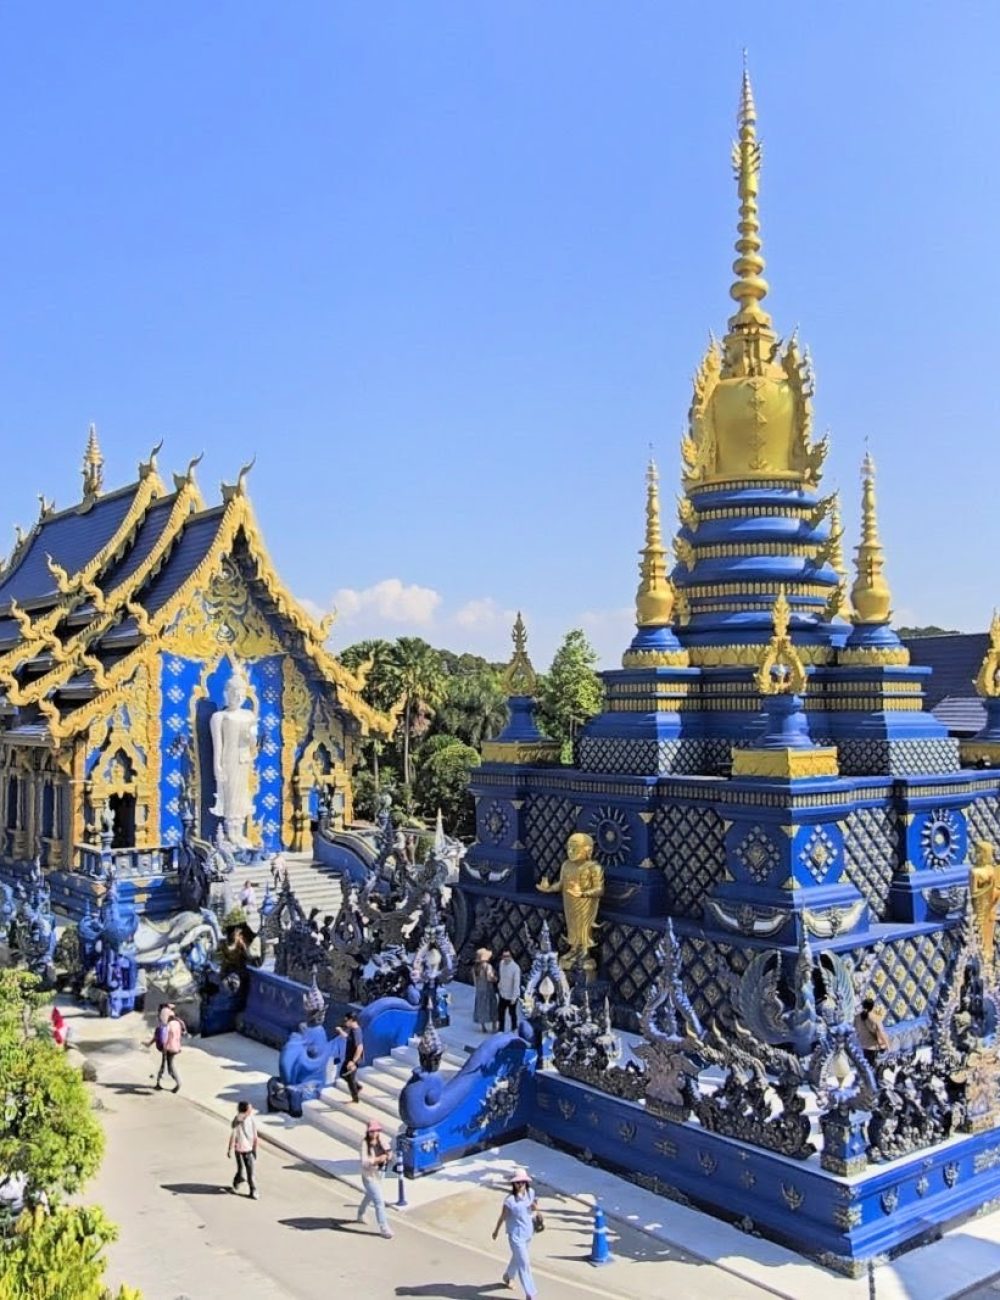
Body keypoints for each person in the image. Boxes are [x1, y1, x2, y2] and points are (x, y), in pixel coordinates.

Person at [537, 831, 605, 970]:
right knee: (571, 926)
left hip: (585, 904)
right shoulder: (566, 865)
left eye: (575, 848)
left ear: (587, 850)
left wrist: (583, 893)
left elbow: (600, 889)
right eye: (569, 848)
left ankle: (584, 952)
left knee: (583, 928)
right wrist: (548, 888)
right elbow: (561, 884)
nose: (571, 851)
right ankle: (573, 949)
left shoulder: (594, 868)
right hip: (569, 902)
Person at [491, 1168, 538, 1300]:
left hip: (528, 1232)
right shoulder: (510, 1201)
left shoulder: (531, 1193)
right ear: (514, 1184)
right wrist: (496, 1231)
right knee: (524, 1263)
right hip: (516, 1236)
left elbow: (534, 1206)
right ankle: (531, 1294)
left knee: (518, 1258)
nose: (520, 1184)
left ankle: (508, 1276)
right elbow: (503, 1217)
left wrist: (536, 1211)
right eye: (518, 1182)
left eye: (523, 1182)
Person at [358, 1119, 393, 1238]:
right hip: (369, 1177)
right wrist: (377, 1160)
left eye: (377, 1131)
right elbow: (364, 1162)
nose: (374, 1133)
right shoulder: (364, 1144)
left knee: (369, 1196)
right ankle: (384, 1228)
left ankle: (360, 1213)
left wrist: (388, 1155)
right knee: (379, 1201)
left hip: (380, 1173)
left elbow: (389, 1153)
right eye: (372, 1131)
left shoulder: (382, 1140)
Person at [227, 1100, 259, 1200]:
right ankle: (241, 1184)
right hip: (240, 1150)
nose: (251, 1109)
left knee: (249, 1172)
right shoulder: (237, 1121)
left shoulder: (250, 1120)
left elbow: (255, 1136)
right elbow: (233, 1135)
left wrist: (254, 1149)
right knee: (243, 1171)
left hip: (248, 1149)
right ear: (245, 1110)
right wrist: (230, 1148)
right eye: (250, 1108)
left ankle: (251, 1188)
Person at [156, 1006, 186, 1092]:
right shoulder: (178, 1023)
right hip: (176, 1047)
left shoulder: (168, 1026)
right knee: (164, 1065)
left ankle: (178, 1083)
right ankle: (158, 1083)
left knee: (169, 1067)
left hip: (168, 1048)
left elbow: (164, 1038)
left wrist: (164, 1047)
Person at [854, 996, 889, 1069]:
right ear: (873, 1007)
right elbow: (882, 1033)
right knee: (873, 1068)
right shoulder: (875, 1018)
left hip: (863, 1045)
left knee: (867, 1067)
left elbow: (855, 1030)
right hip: (873, 1047)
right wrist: (888, 1046)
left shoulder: (857, 1017)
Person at [473, 948, 499, 1032]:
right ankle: (494, 1027)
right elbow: (489, 978)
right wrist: (496, 979)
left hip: (479, 990)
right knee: (493, 1007)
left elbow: (475, 981)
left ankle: (483, 1027)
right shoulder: (488, 966)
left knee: (481, 1008)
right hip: (488, 990)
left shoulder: (475, 968)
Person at [340, 1011, 364, 1103]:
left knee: (350, 1079)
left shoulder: (356, 1032)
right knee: (343, 1074)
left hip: (353, 1059)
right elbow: (348, 1038)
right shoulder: (352, 1030)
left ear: (351, 1020)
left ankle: (355, 1099)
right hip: (349, 1058)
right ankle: (357, 1087)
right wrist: (341, 1031)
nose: (345, 1022)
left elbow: (360, 1047)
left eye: (346, 1020)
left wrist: (353, 1062)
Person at [497, 950, 521, 1033]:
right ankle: (501, 1030)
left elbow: (516, 983)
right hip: (503, 994)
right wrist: (500, 985)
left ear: (511, 957)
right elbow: (501, 976)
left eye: (507, 956)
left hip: (512, 996)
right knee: (500, 1013)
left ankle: (514, 1029)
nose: (505, 958)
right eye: (504, 956)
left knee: (512, 1013)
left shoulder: (515, 968)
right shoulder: (501, 964)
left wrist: (514, 997)